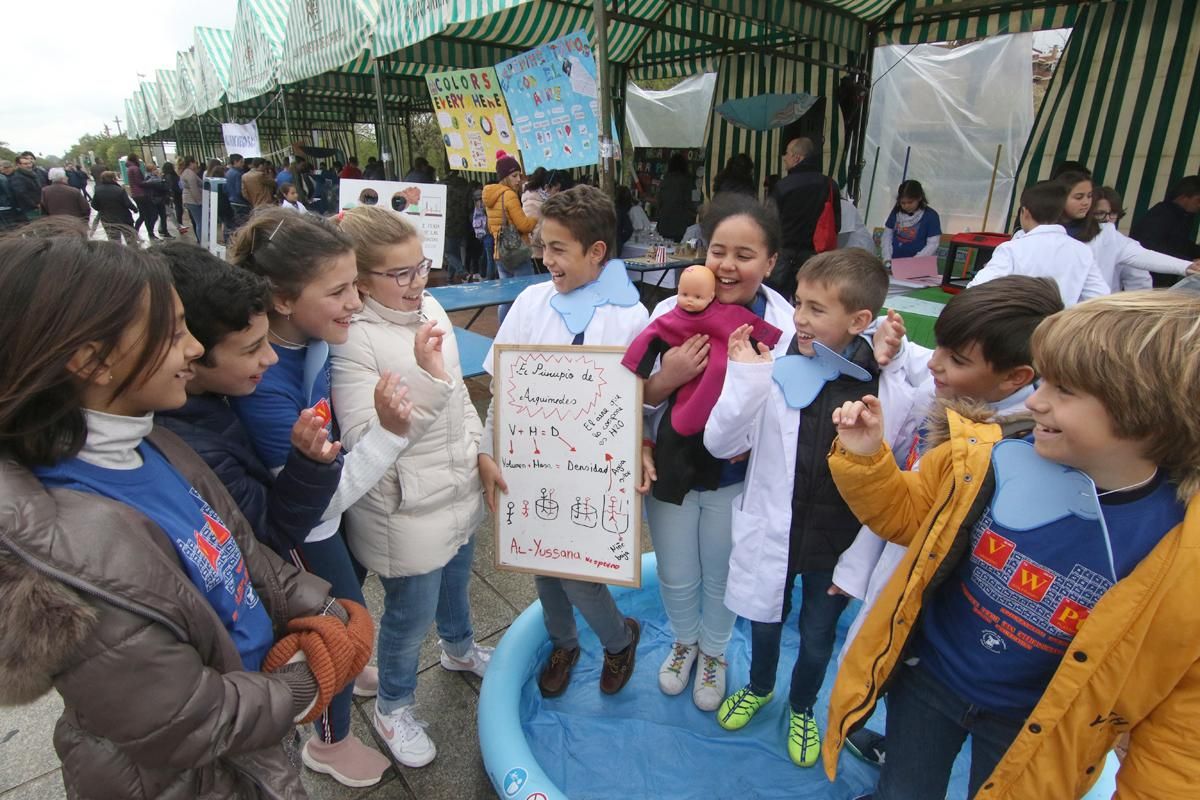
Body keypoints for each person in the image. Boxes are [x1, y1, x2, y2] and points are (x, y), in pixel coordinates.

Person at [0, 231, 367, 797]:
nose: (194, 349)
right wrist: (308, 679)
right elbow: (192, 720)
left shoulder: (157, 442)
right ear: (91, 361)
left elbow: (241, 552)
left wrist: (324, 609)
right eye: (172, 334)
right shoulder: (71, 552)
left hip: (252, 734)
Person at [826, 290, 1200, 799]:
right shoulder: (993, 456)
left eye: (1064, 390)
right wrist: (868, 461)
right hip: (930, 679)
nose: (1035, 401)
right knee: (904, 788)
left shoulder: (1181, 550)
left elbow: (1180, 731)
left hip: (1035, 721)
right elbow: (910, 517)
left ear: (1147, 412)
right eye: (1043, 380)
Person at [830, 275, 1064, 768]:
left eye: (956, 359)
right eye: (939, 347)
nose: (935, 362)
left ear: (1017, 378)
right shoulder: (972, 405)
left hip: (944, 626)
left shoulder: (1001, 448)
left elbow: (907, 519)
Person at [705, 249, 920, 768]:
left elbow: (939, 390)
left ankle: (803, 705)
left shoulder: (885, 384)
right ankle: (760, 687)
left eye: (817, 309)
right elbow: (720, 442)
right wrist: (747, 379)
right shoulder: (774, 372)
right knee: (764, 622)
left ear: (859, 321)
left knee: (820, 635)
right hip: (774, 536)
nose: (798, 317)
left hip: (838, 545)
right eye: (799, 303)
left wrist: (900, 349)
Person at [228, 209, 412, 787]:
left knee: (349, 610)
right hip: (304, 532)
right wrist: (389, 434)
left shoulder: (305, 335)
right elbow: (317, 504)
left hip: (324, 519)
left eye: (355, 284)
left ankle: (348, 674)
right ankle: (330, 745)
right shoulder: (264, 385)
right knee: (340, 624)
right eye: (337, 290)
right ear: (282, 299)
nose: (355, 302)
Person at [333, 205, 493, 767]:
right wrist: (427, 378)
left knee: (457, 584)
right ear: (359, 281)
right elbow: (362, 438)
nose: (417, 281)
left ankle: (459, 649)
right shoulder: (352, 339)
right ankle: (393, 707)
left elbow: (461, 401)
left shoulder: (429, 308)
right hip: (403, 507)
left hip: (455, 487)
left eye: (421, 266)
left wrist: (480, 453)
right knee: (408, 616)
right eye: (399, 273)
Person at [477, 186, 646, 699]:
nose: (544, 257)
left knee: (579, 575)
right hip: (532, 462)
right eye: (543, 246)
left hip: (595, 470)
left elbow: (637, 401)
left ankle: (618, 640)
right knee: (542, 564)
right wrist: (486, 450)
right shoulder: (531, 302)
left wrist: (639, 448)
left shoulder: (631, 317)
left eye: (557, 249)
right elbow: (501, 388)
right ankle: (563, 641)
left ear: (597, 252)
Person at [155, 241, 344, 558]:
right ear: (191, 354)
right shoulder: (192, 449)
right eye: (251, 349)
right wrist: (310, 464)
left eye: (266, 341)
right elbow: (271, 532)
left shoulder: (216, 396)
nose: (270, 358)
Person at [968, 180, 1109, 306]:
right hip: (1059, 329)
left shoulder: (1012, 248)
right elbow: (1100, 299)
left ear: (1025, 212)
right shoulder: (1082, 250)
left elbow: (976, 290)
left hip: (1015, 328)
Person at [1055, 173, 1197, 291]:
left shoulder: (1106, 233)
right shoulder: (1043, 232)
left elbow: (1141, 256)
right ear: (1060, 199)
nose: (1086, 202)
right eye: (1079, 197)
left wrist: (1185, 266)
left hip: (1093, 314)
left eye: (1089, 196)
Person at [769, 137, 841, 297]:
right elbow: (837, 223)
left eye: (787, 153)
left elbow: (769, 221)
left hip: (783, 252)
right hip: (816, 254)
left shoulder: (783, 186)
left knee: (776, 299)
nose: (784, 158)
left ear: (797, 157)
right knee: (809, 298)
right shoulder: (829, 184)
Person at [483, 152, 537, 322]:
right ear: (505, 177)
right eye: (514, 175)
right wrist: (536, 218)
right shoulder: (509, 195)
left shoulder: (490, 197)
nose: (518, 179)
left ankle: (503, 331)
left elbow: (492, 226)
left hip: (500, 252)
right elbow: (523, 225)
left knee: (506, 298)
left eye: (519, 175)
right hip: (517, 252)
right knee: (526, 295)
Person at [1129, 174, 1200, 286]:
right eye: (1198, 200)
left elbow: (1180, 244)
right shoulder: (1162, 214)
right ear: (1183, 197)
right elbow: (1148, 245)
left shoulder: (1183, 216)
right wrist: (1186, 262)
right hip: (1147, 279)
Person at [881, 180, 941, 263]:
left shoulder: (931, 216)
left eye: (910, 202)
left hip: (919, 265)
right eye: (903, 203)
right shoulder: (896, 212)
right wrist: (887, 258)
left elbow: (933, 244)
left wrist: (913, 262)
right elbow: (887, 236)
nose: (906, 206)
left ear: (919, 198)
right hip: (894, 261)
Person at [90, 170, 139, 244]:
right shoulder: (119, 190)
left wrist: (102, 209)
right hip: (124, 218)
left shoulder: (98, 191)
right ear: (113, 178)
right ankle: (134, 253)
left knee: (114, 241)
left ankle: (117, 255)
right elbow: (128, 203)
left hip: (107, 219)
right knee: (130, 239)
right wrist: (135, 209)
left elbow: (94, 205)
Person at [656, 153, 696, 242]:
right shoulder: (687, 181)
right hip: (681, 225)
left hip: (664, 223)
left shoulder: (665, 180)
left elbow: (659, 201)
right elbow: (690, 203)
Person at [443, 168, 472, 283]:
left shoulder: (443, 187)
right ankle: (450, 278)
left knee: (448, 253)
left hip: (448, 224)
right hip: (462, 222)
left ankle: (463, 273)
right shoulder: (464, 186)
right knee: (454, 251)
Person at [125, 154, 158, 241]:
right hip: (142, 194)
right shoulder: (135, 168)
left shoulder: (129, 168)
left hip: (136, 194)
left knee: (143, 215)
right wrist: (150, 182)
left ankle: (135, 233)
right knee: (151, 214)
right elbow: (140, 182)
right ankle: (150, 233)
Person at [522, 167, 550, 266]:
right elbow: (531, 224)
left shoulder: (541, 197)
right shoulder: (531, 199)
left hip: (543, 244)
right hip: (536, 246)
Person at [9, 152, 44, 221]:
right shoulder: (17, 177)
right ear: (18, 165)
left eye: (30, 163)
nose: (29, 165)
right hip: (30, 209)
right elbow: (21, 194)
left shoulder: (32, 174)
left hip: (39, 206)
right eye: (25, 164)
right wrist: (35, 205)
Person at [180, 156, 203, 241]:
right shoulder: (190, 174)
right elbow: (194, 189)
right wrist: (200, 201)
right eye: (195, 163)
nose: (196, 165)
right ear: (191, 163)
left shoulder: (185, 173)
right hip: (193, 201)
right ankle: (202, 241)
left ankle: (201, 240)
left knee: (197, 222)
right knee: (200, 222)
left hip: (189, 200)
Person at [225, 153, 250, 227]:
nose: (243, 164)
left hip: (232, 201)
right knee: (244, 224)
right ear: (235, 162)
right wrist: (247, 199)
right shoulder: (238, 174)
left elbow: (225, 189)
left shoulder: (228, 173)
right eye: (241, 162)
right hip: (240, 203)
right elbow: (239, 191)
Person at [161, 161, 183, 229]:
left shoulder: (165, 176)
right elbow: (172, 185)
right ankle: (179, 224)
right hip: (175, 194)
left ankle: (162, 228)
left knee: (168, 212)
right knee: (176, 209)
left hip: (173, 194)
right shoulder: (170, 176)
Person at [0, 160, 20, 228]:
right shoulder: (3, 178)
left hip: (8, 205)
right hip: (7, 206)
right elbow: (9, 193)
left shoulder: (15, 176)